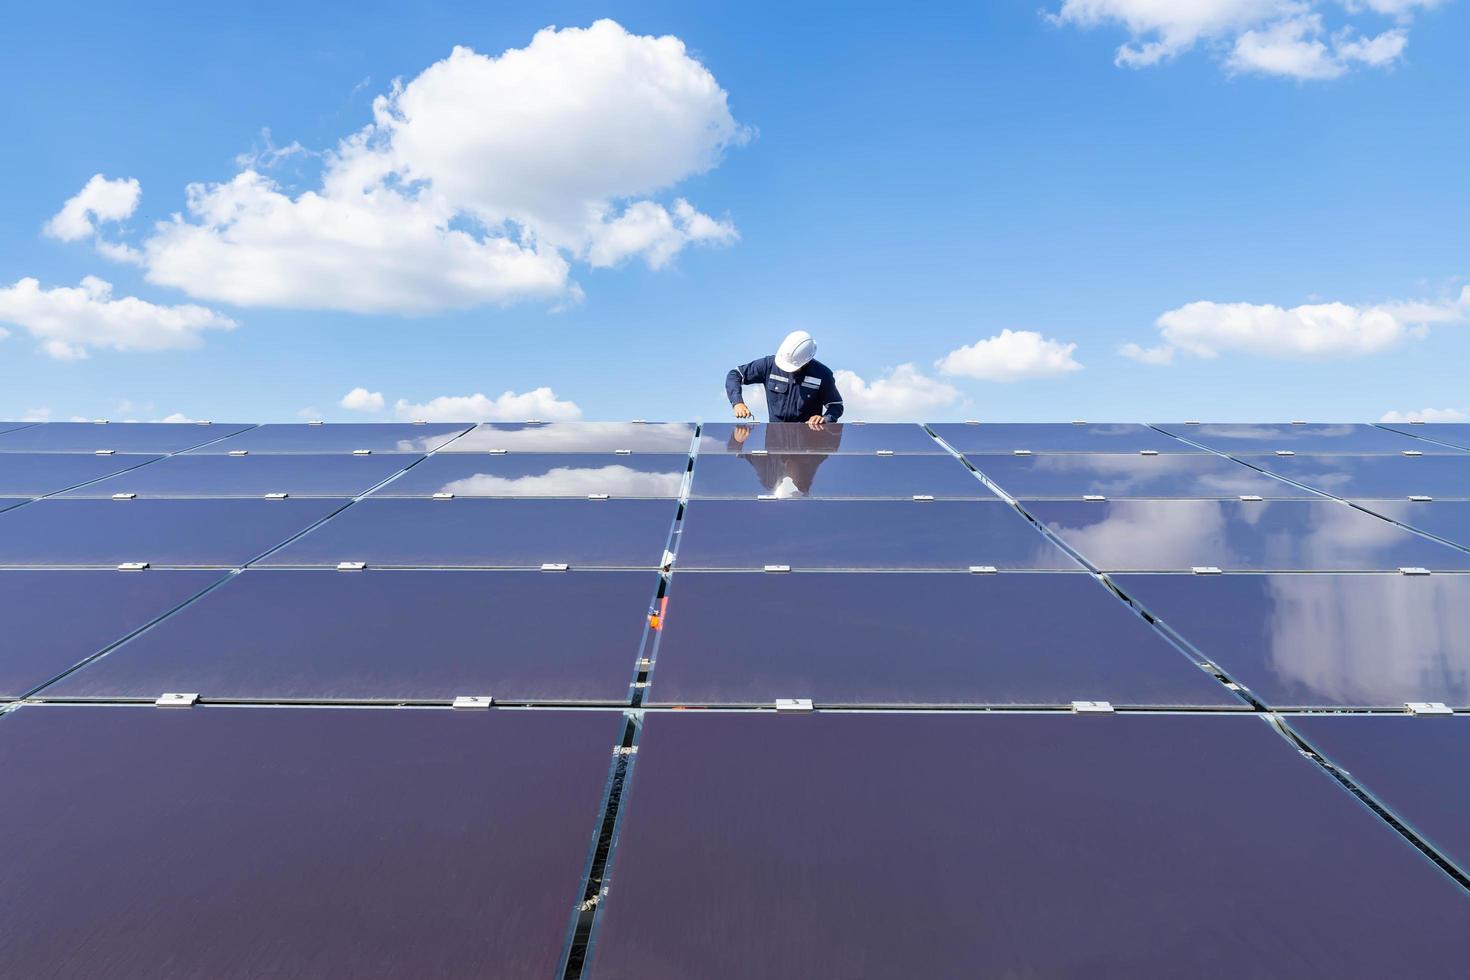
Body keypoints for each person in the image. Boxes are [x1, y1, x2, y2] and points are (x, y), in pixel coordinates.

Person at [725, 330, 844, 429]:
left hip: (808, 447)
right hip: (776, 446)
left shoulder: (822, 374)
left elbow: (836, 405)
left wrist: (825, 419)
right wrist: (737, 403)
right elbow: (735, 374)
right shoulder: (769, 365)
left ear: (806, 361)